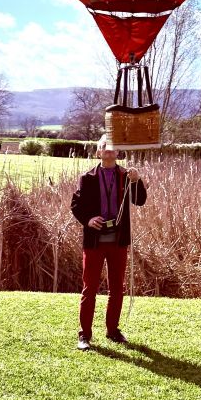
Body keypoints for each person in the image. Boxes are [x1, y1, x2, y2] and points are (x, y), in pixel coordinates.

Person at [70, 133, 148, 351]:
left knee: (117, 289)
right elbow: (76, 205)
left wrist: (137, 181)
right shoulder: (88, 178)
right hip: (94, 242)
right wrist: (88, 219)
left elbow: (139, 200)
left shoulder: (126, 175)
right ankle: (84, 335)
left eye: (113, 147)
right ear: (98, 152)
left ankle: (113, 331)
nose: (109, 150)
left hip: (118, 242)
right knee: (90, 289)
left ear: (118, 152)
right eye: (105, 146)